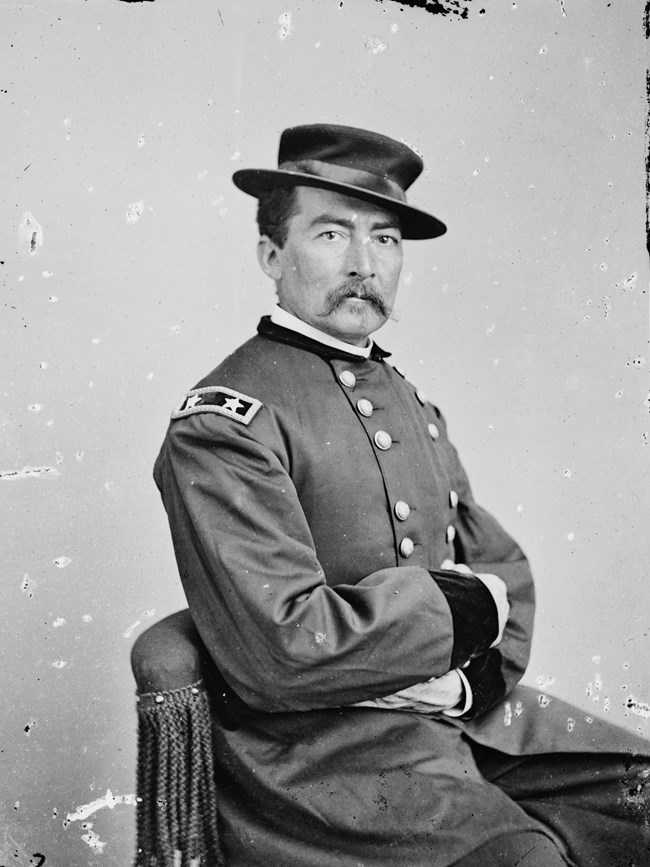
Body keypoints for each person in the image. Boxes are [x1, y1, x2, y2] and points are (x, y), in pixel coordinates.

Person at [153, 124, 649, 866]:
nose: (363, 264)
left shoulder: (406, 398)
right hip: (313, 759)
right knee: (523, 860)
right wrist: (460, 614)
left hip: (456, 719)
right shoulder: (227, 420)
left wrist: (460, 686)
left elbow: (500, 570)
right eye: (330, 233)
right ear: (271, 256)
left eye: (385, 240)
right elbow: (286, 648)